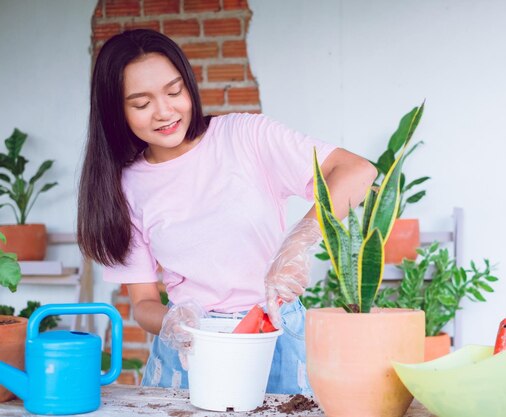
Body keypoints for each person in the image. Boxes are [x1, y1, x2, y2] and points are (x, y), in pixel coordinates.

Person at [77, 29, 376, 394]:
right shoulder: (123, 188)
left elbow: (358, 171)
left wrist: (300, 240)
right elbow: (143, 303)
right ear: (116, 111)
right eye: (141, 104)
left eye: (175, 92)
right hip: (192, 344)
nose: (165, 111)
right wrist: (174, 322)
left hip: (273, 331)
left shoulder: (246, 136)